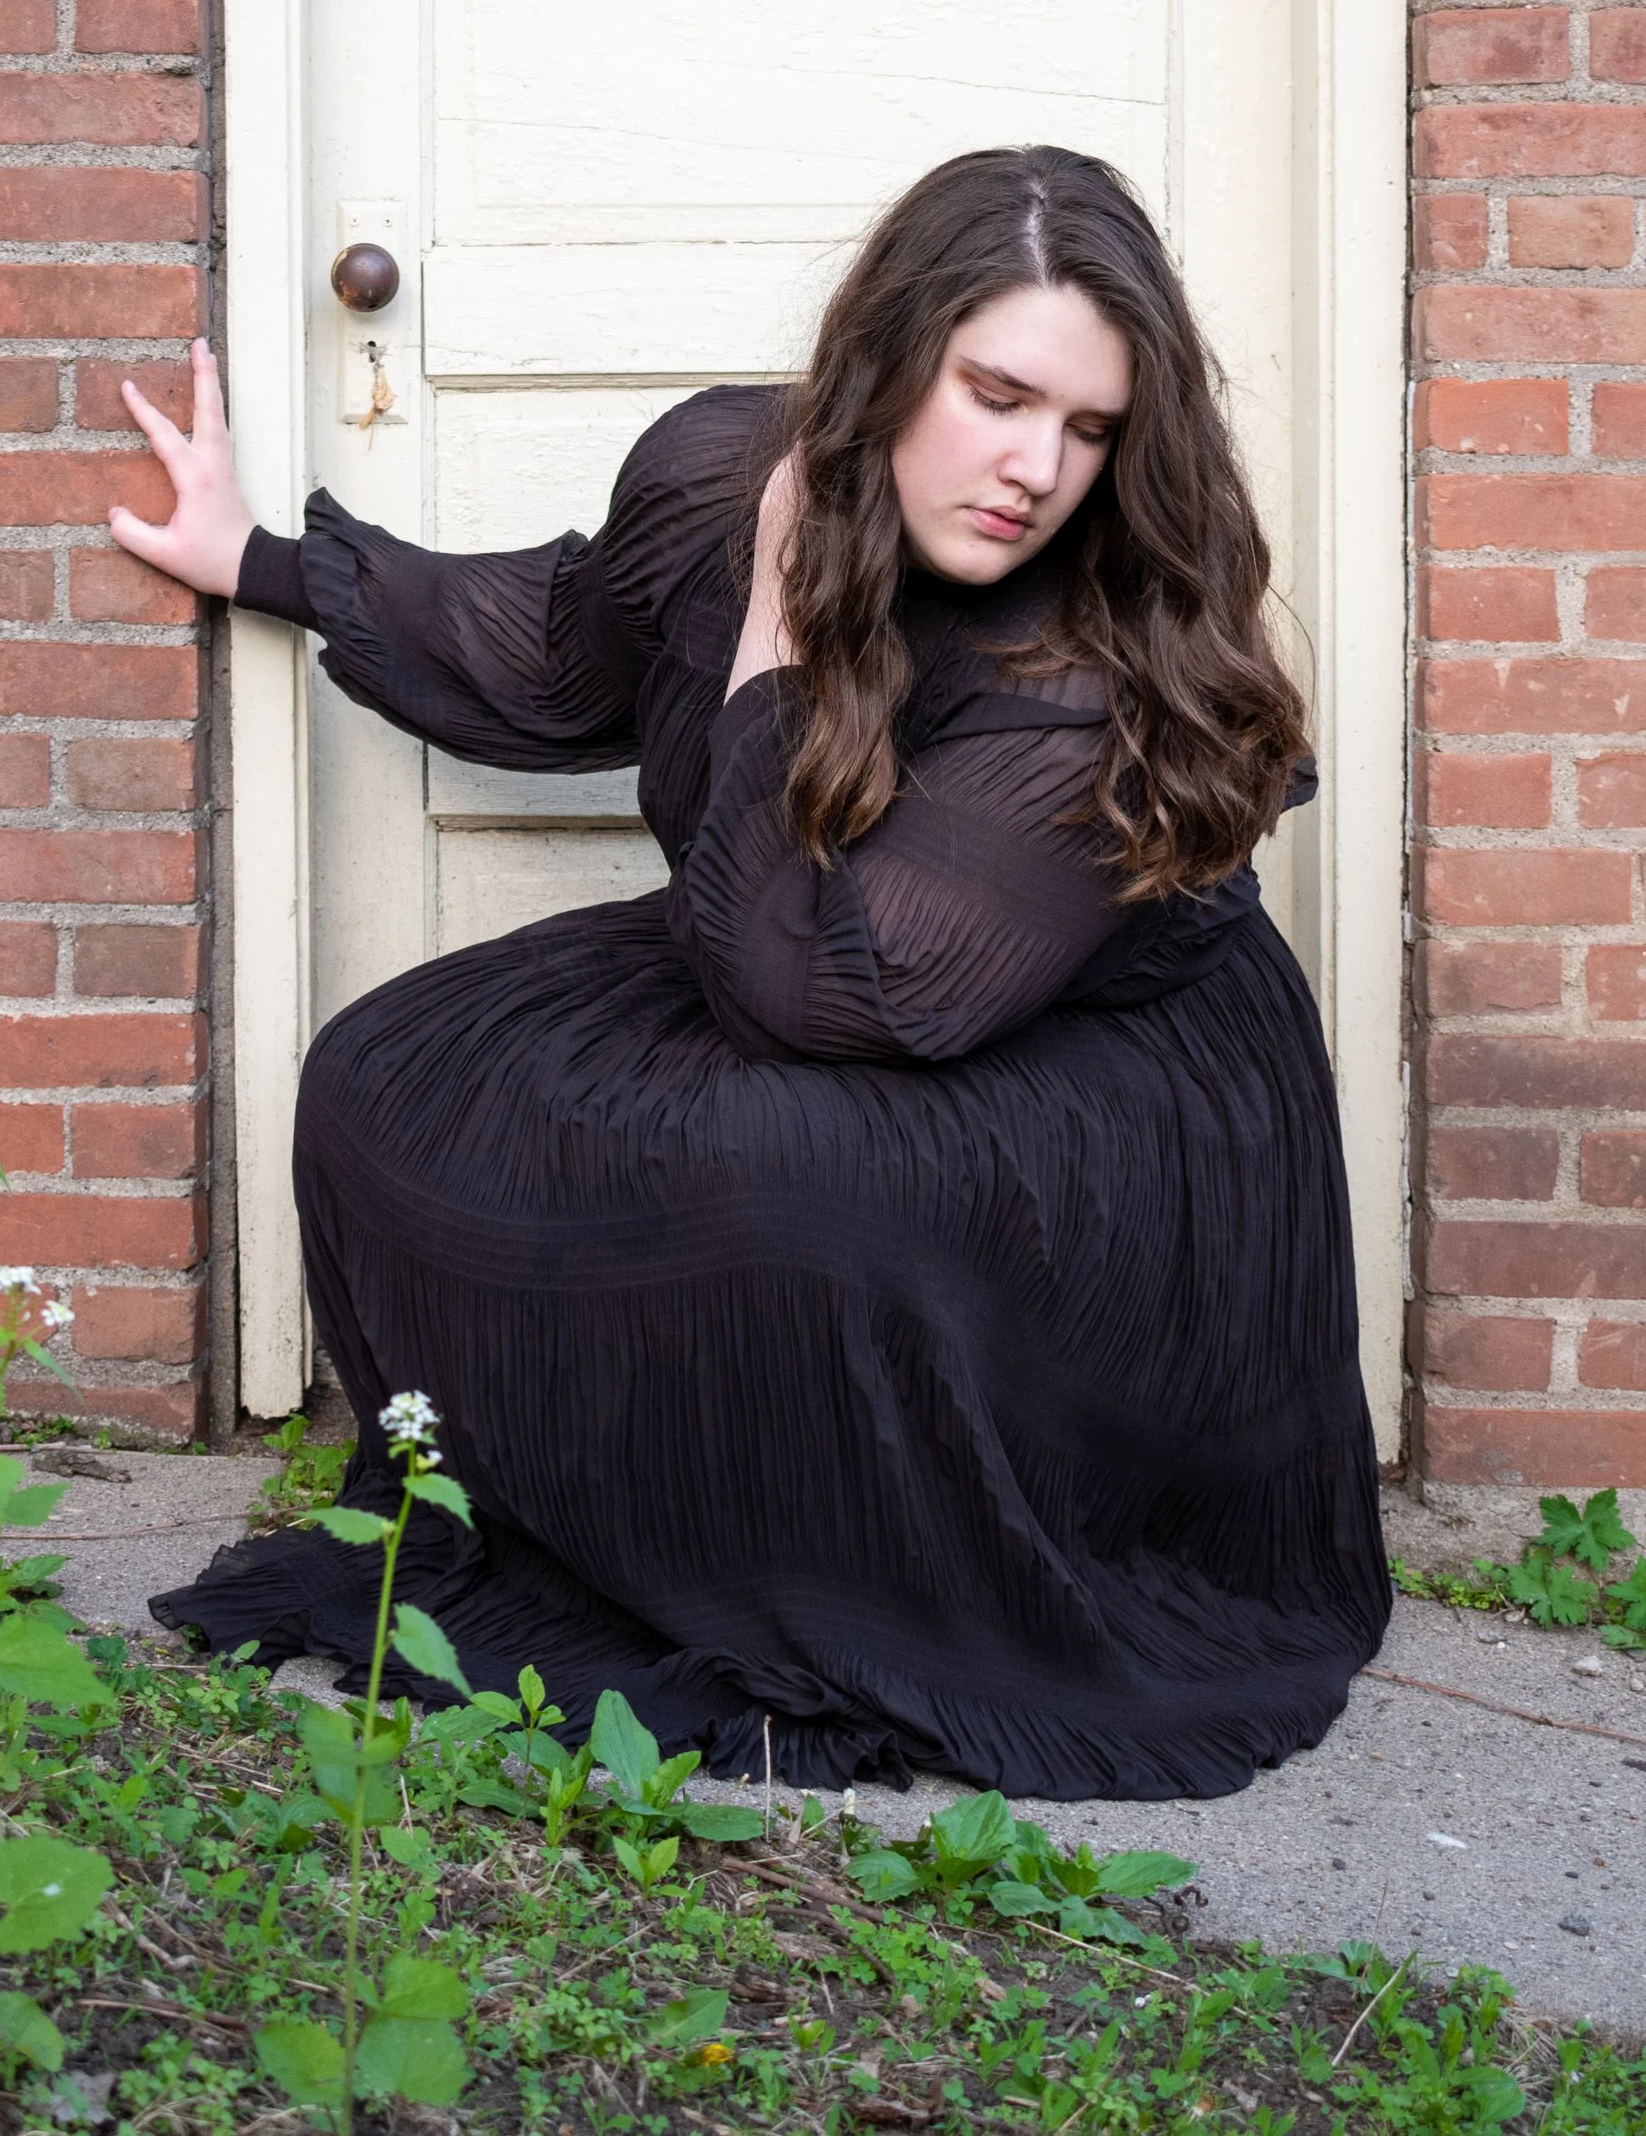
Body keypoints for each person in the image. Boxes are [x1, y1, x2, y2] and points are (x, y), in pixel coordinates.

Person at [114, 145, 1388, 1799]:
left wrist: (779, 639)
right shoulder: (729, 474)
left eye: (1090, 428)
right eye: (998, 394)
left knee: (787, 1178)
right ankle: (613, 1529)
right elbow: (562, 644)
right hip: (800, 932)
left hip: (1084, 1074)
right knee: (392, 1072)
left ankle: (859, 1587)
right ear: (892, 355)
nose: (1034, 468)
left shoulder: (1092, 669)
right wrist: (261, 558)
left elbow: (844, 1000)